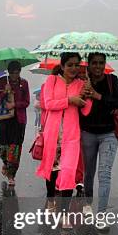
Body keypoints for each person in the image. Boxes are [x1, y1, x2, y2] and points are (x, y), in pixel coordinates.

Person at [36, 52, 91, 225]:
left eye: (77, 65)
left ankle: (65, 214)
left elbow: (86, 111)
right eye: (70, 65)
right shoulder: (51, 81)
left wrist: (88, 94)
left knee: (68, 172)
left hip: (71, 135)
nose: (74, 68)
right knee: (51, 171)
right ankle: (51, 199)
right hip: (52, 133)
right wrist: (70, 100)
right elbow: (49, 103)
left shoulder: (81, 84)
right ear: (62, 66)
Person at [79, 53, 118, 220]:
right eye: (94, 63)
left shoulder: (112, 80)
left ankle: (102, 214)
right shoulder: (82, 81)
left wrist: (98, 96)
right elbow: (78, 106)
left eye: (101, 63)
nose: (98, 66)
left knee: (104, 173)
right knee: (89, 172)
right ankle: (88, 203)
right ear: (89, 65)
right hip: (88, 133)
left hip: (109, 133)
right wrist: (84, 94)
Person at [0, 61, 30, 186]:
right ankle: (5, 163)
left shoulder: (24, 83)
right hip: (4, 119)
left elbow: (26, 102)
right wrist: (4, 91)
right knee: (2, 147)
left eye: (17, 72)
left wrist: (15, 104)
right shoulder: (3, 81)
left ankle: (11, 175)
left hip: (18, 120)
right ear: (9, 72)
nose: (15, 75)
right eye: (12, 73)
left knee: (15, 149)